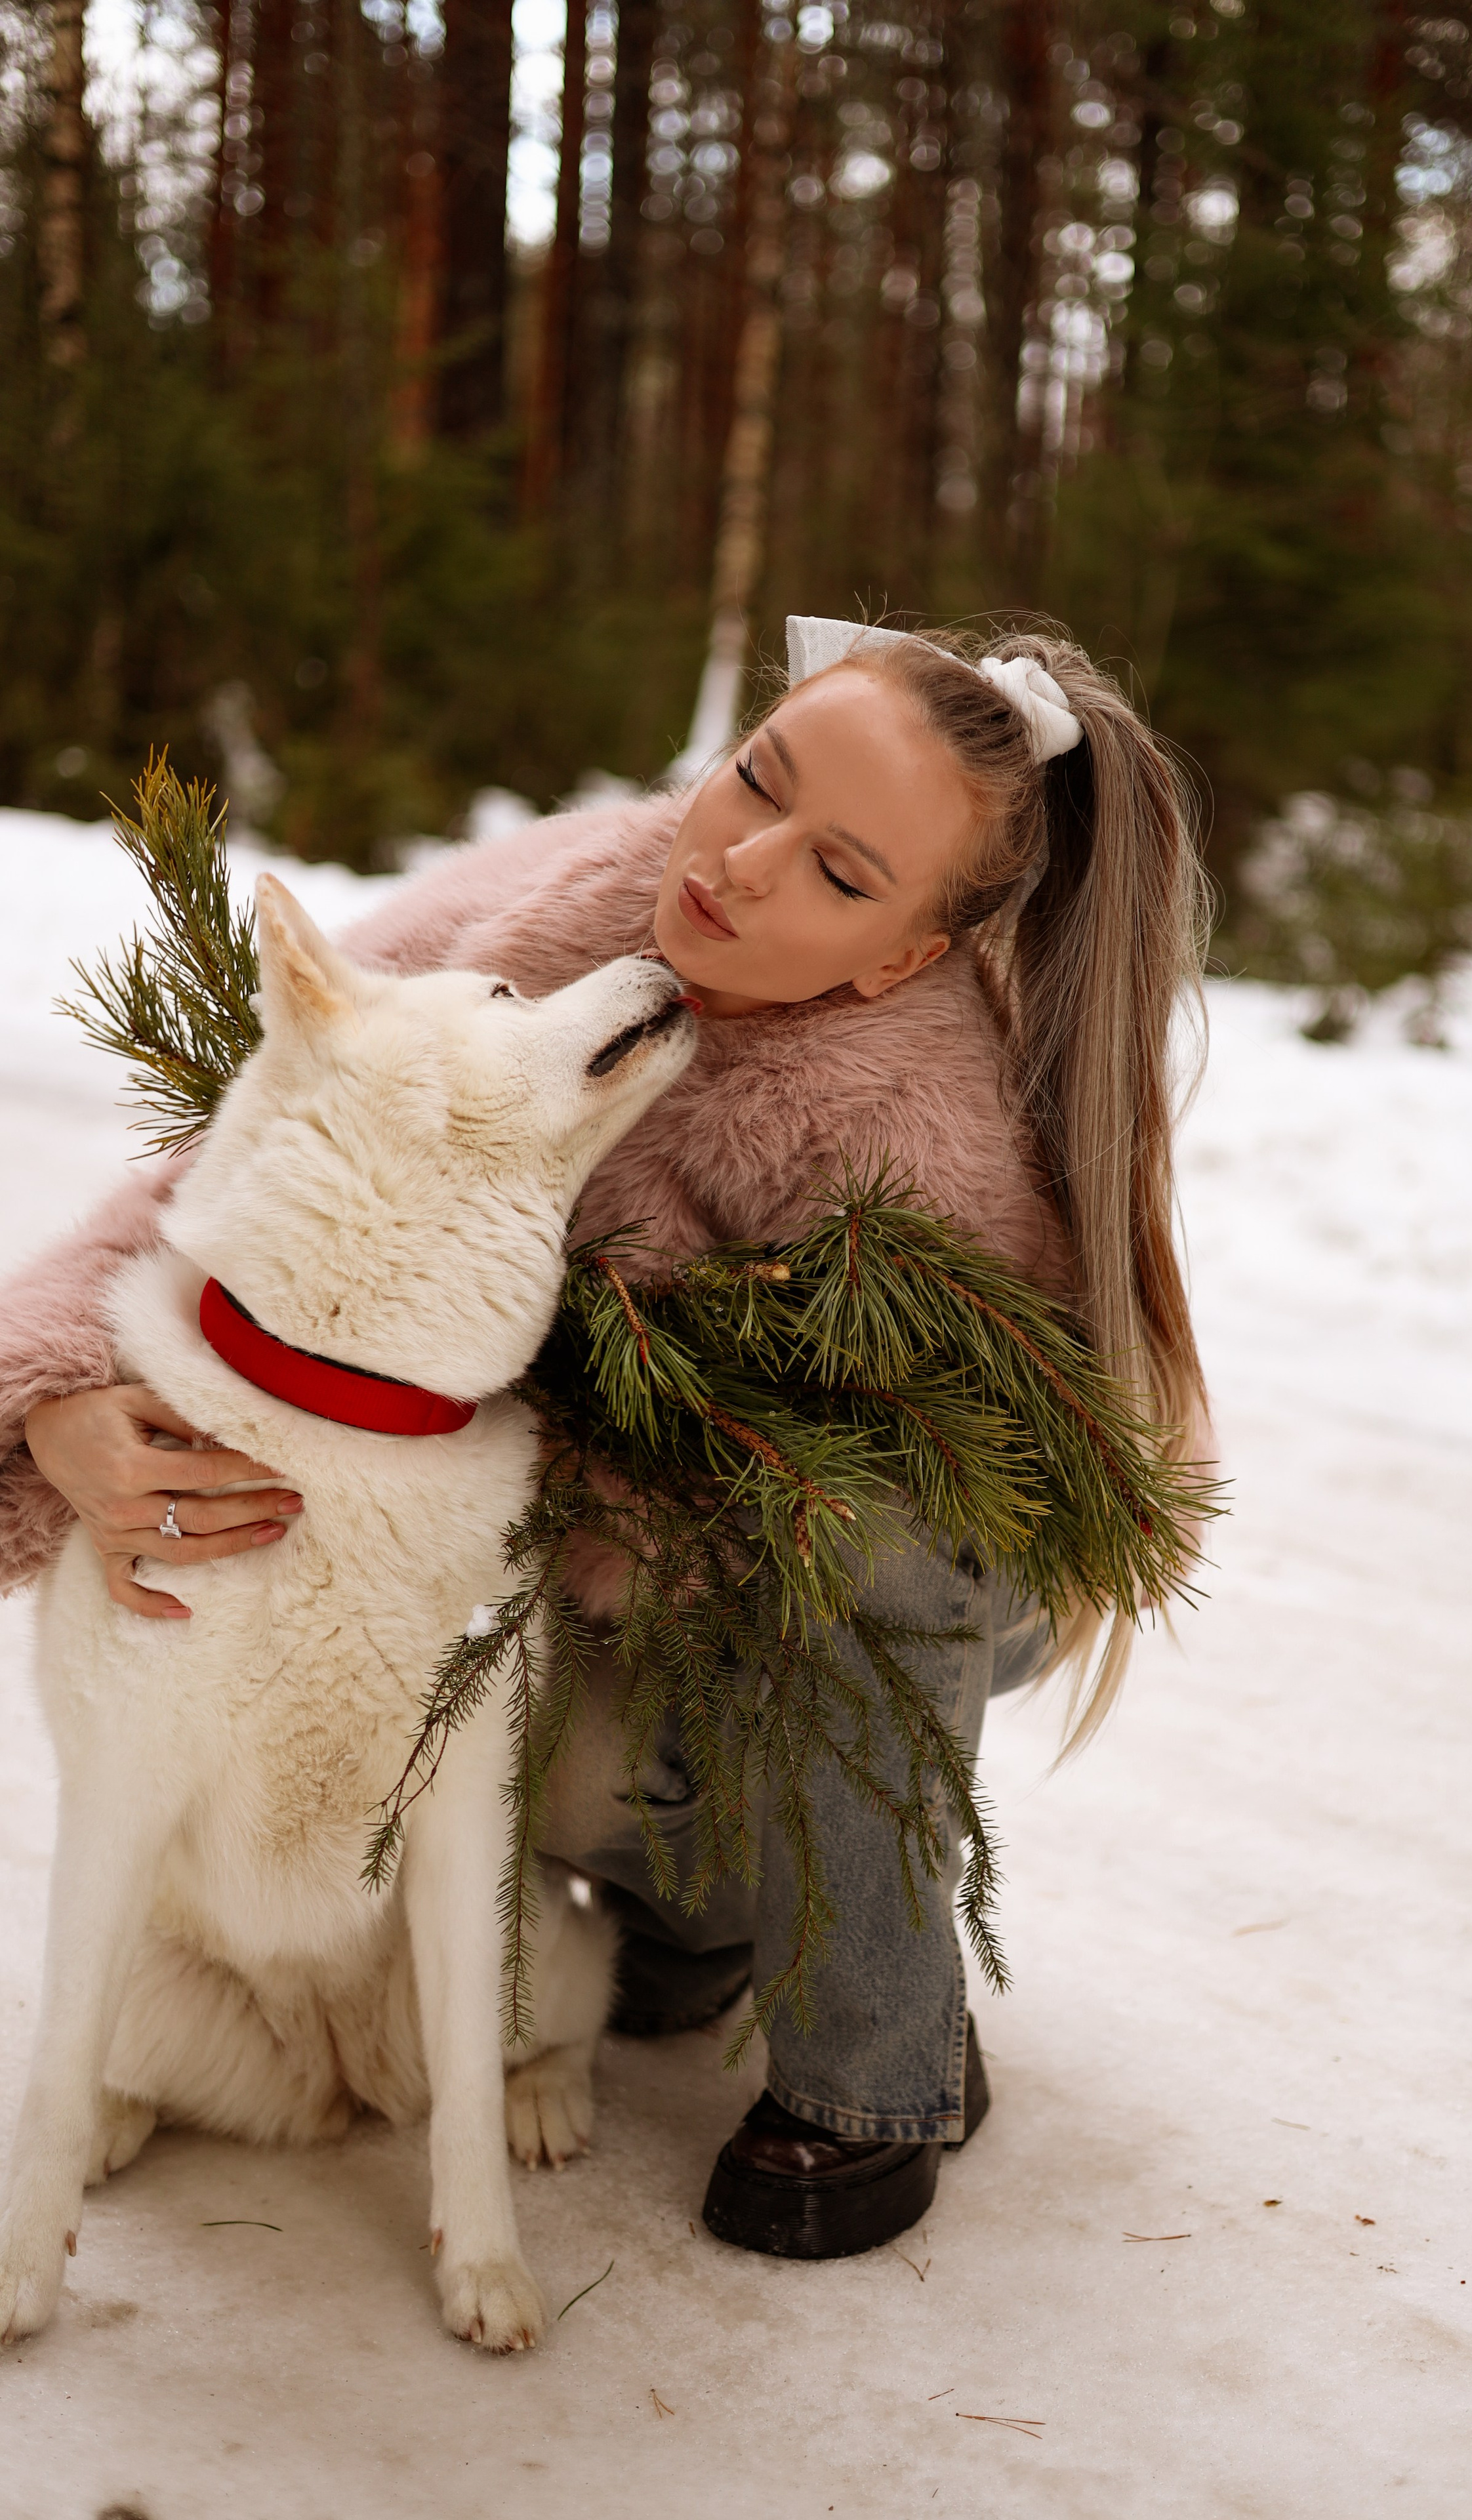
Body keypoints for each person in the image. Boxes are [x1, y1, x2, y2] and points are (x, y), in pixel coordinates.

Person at [0, 617, 1210, 2260]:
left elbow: (956, 1508)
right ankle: (695, 1907)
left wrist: (522, 1459)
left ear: (899, 957)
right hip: (574, 1568)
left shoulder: (916, 1133)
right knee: (451, 1696)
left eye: (838, 874)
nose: (741, 863)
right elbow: (269, 1139)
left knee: (830, 1561)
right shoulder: (556, 895)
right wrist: (61, 1393)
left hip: (795, 1586)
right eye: (753, 781)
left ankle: (879, 2067)